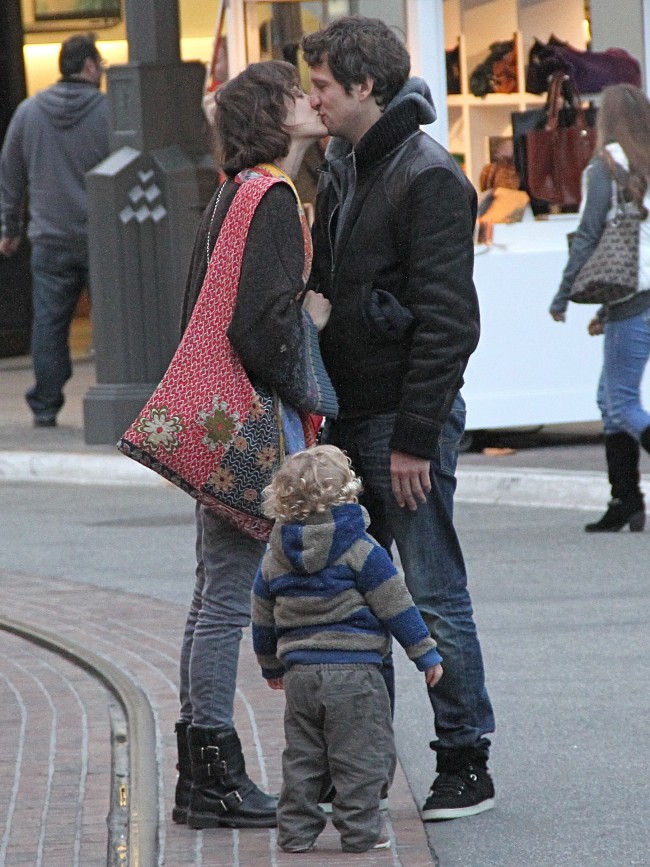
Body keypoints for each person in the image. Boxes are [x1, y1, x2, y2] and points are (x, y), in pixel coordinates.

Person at [301, 16, 496, 821]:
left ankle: (465, 758)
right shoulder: (341, 167)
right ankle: (365, 768)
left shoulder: (428, 176)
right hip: (350, 420)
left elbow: (451, 323)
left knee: (432, 591)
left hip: (401, 422)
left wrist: (417, 437)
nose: (312, 98)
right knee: (353, 597)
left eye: (321, 85)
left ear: (364, 88)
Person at [173, 60, 338, 831]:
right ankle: (213, 774)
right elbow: (257, 327)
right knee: (225, 600)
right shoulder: (269, 197)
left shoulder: (233, 197)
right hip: (250, 430)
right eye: (295, 92)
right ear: (272, 115)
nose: (312, 98)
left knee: (214, 595)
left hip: (219, 425)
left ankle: (201, 771)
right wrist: (313, 323)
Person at [251, 445, 443, 853]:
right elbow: (396, 603)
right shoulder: (362, 549)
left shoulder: (275, 558)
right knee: (360, 756)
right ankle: (359, 834)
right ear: (348, 494)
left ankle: (296, 834)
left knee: (303, 758)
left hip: (301, 675)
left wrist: (271, 667)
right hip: (356, 673)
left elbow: (262, 619)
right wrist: (424, 652)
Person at [550, 83, 650, 533]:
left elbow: (590, 238)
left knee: (621, 402)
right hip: (632, 298)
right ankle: (625, 501)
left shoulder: (605, 167)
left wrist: (563, 293)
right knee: (607, 400)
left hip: (631, 298)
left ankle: (625, 500)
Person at [0, 33, 109, 427]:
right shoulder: (109, 112)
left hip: (49, 237)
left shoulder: (28, 113)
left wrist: (9, 226)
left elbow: (10, 174)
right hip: (101, 238)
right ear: (91, 66)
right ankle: (114, 397)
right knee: (110, 323)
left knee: (49, 325)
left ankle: (45, 406)